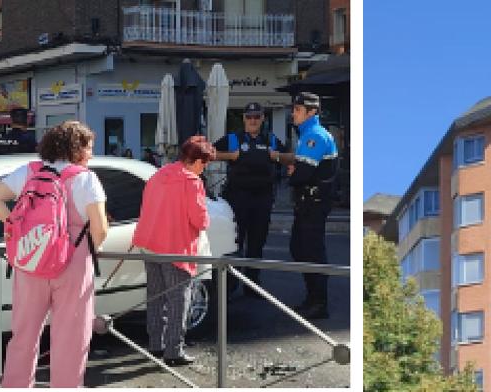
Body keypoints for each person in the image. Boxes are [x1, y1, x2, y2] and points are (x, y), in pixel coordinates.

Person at [0, 120, 108, 387]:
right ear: (76, 148)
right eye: (89, 148)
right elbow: (100, 227)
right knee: (71, 337)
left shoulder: (29, 171)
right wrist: (92, 249)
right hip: (72, 260)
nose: (91, 154)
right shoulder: (85, 178)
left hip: (31, 256)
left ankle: (16, 391)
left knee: (24, 334)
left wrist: (12, 226)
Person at [132, 135, 215, 366]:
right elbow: (200, 220)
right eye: (205, 163)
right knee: (179, 299)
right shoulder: (191, 182)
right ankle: (174, 351)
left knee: (155, 297)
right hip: (175, 247)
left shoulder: (158, 175)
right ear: (198, 161)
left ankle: (155, 345)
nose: (204, 168)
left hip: (148, 243)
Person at [272, 92, 338, 320]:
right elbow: (300, 168)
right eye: (294, 109)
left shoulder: (315, 136)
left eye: (298, 110)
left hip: (315, 202)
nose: (293, 114)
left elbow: (302, 173)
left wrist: (294, 173)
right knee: (299, 248)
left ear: (312, 112)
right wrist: (295, 169)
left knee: (312, 251)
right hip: (307, 202)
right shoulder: (307, 135)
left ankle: (319, 302)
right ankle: (312, 298)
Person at [214, 102, 286, 294]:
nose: (253, 120)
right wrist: (231, 155)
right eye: (249, 117)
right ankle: (230, 287)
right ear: (244, 118)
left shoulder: (270, 139)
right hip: (238, 198)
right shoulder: (232, 138)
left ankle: (252, 285)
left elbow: (289, 158)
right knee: (235, 243)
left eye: (257, 117)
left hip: (262, 199)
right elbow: (209, 154)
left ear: (263, 118)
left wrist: (277, 155)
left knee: (257, 243)